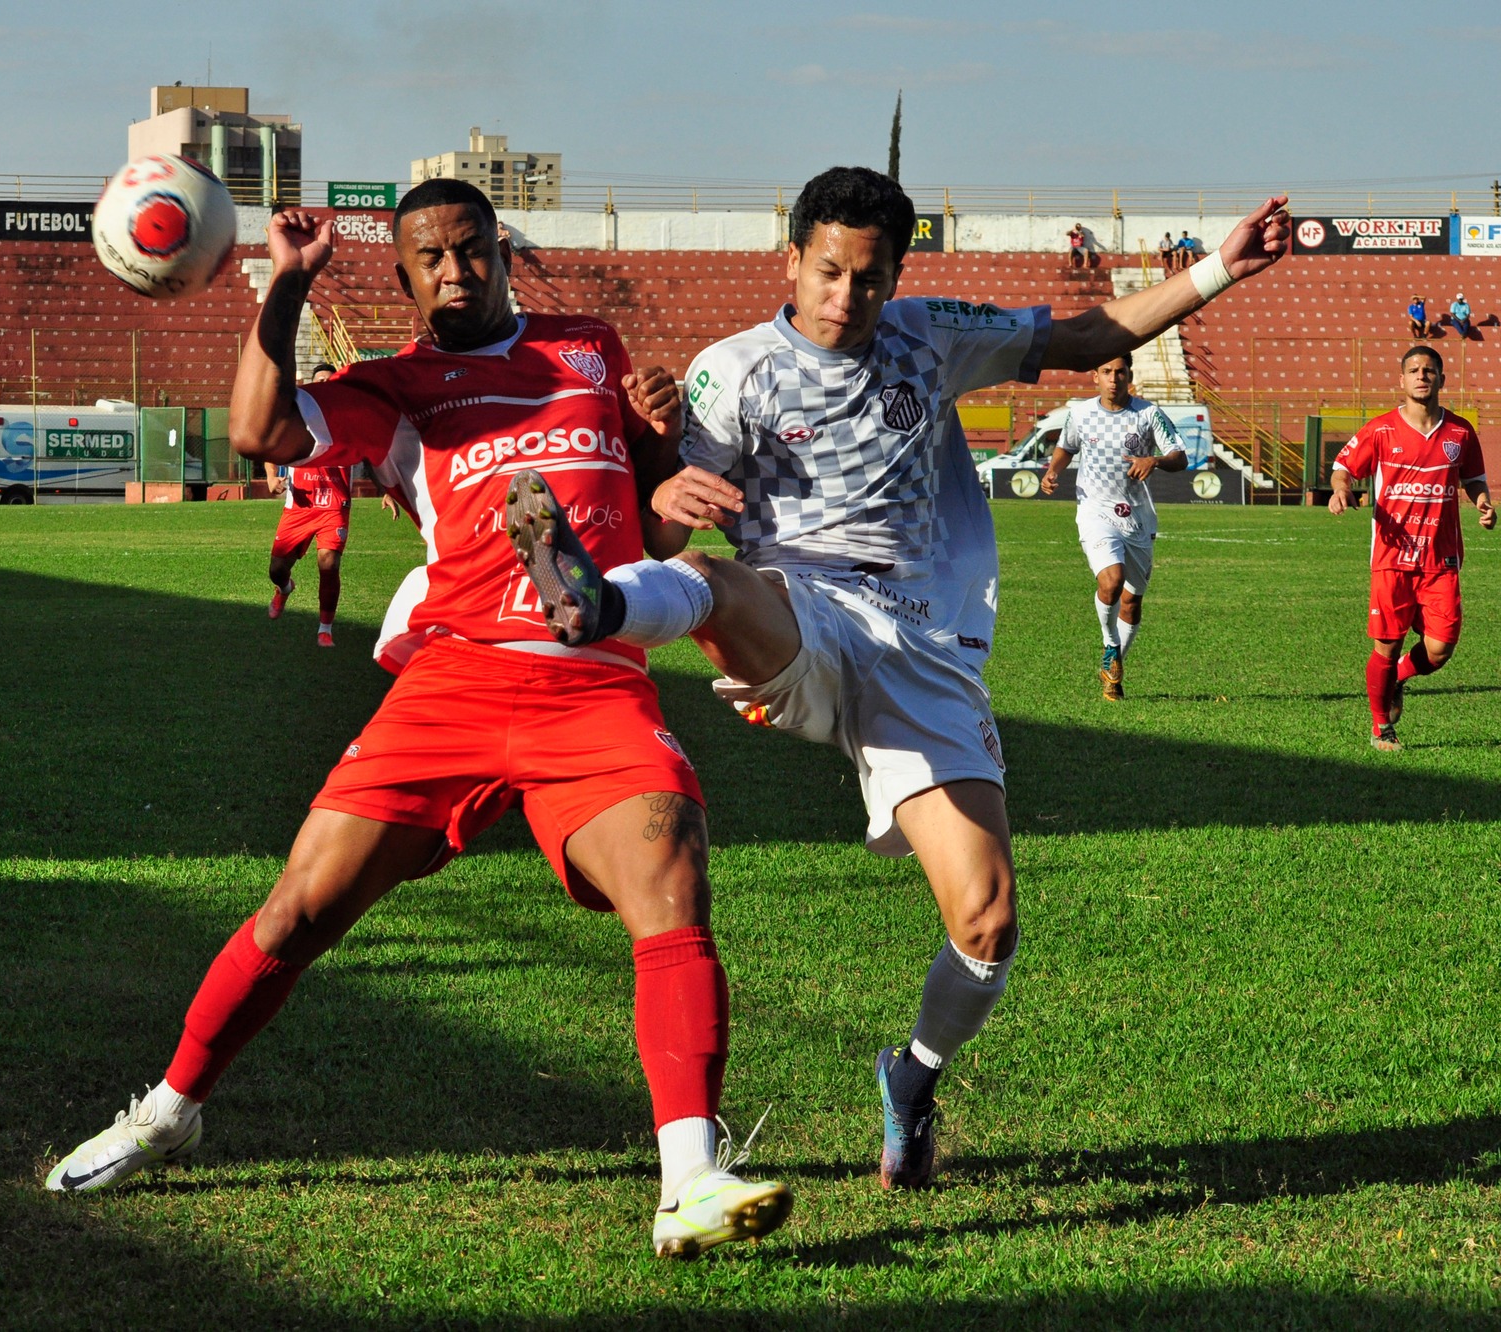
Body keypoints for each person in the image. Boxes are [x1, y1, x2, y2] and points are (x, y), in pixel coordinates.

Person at [44, 178, 794, 1260]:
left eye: (471, 250)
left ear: (501, 253)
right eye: (429, 259)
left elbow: (644, 513)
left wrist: (664, 466)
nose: (454, 271)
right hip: (453, 682)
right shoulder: (394, 387)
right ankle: (168, 1110)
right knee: (299, 909)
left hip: (591, 677)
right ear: (400, 276)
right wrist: (287, 286)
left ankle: (689, 1177)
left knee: (669, 876)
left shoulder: (590, 348)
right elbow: (257, 429)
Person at [503, 166, 1292, 1192]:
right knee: (703, 577)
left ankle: (912, 1079)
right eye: (827, 272)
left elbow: (1082, 337)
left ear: (894, 275)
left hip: (922, 648)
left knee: (986, 920)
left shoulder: (927, 335)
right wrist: (667, 490)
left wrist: (1221, 269)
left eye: (867, 279)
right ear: (790, 260)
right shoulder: (730, 372)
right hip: (799, 611)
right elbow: (662, 522)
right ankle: (593, 607)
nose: (844, 299)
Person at [1328, 345, 1493, 751]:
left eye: (1429, 370)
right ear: (1401, 381)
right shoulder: (1381, 430)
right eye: (1414, 370)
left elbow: (1474, 479)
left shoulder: (1459, 432)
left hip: (1442, 559)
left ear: (1441, 378)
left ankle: (1398, 677)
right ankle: (1381, 727)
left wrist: (1484, 503)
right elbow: (1343, 468)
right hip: (1391, 559)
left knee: (1440, 649)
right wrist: (1340, 491)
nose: (1422, 375)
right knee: (1387, 642)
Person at [1039, 356, 1187, 698]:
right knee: (1112, 580)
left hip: (1137, 516)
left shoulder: (1148, 415)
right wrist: (1053, 471)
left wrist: (1155, 460)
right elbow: (1066, 446)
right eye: (1106, 372)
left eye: (1120, 372)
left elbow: (1180, 456)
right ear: (1095, 377)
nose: (1113, 378)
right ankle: (1110, 644)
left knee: (1132, 603)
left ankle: (1113, 669)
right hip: (1094, 509)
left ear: (1129, 375)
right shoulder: (1080, 413)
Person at [262, 363, 352, 646]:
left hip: (334, 505)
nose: (324, 382)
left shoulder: (348, 418)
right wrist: (271, 476)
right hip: (299, 505)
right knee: (276, 569)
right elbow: (272, 446)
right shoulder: (296, 416)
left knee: (328, 563)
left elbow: (377, 452)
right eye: (319, 380)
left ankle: (325, 628)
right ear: (310, 386)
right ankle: (285, 588)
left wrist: (388, 489)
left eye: (329, 379)